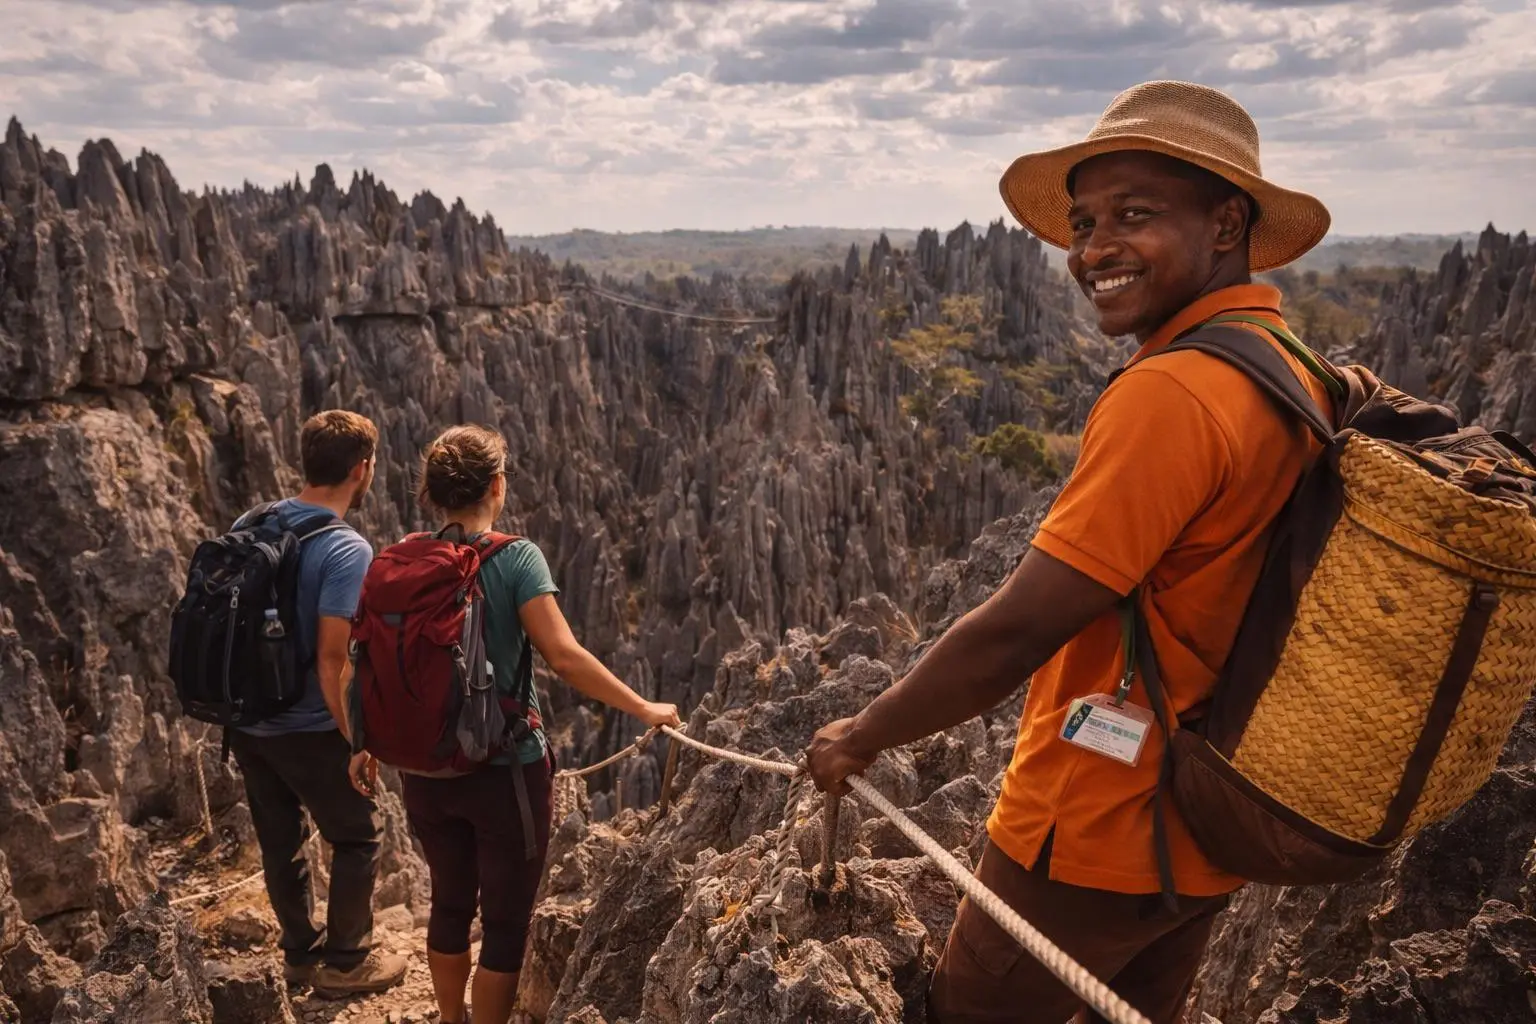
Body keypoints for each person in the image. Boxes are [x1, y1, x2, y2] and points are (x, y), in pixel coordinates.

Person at [805, 80, 1338, 1024]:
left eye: (1135, 215)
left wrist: (862, 735)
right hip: (1206, 833)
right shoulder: (1299, 372)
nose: (1093, 249)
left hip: (1092, 831)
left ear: (1226, 223)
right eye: (1085, 223)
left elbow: (1018, 630)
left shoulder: (1172, 395)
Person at [350, 424, 681, 1024]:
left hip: (423, 765)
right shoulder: (516, 557)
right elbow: (563, 655)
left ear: (431, 494)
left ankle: (450, 1019)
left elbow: (369, 659)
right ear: (498, 485)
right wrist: (643, 708)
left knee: (449, 902)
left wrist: (364, 740)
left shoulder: (401, 557)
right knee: (505, 920)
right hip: (504, 769)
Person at [226, 409, 409, 997]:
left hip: (248, 720)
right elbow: (335, 659)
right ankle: (348, 961)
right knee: (358, 836)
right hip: (307, 725)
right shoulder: (345, 548)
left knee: (281, 839)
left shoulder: (251, 520)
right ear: (363, 470)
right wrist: (358, 741)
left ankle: (300, 957)